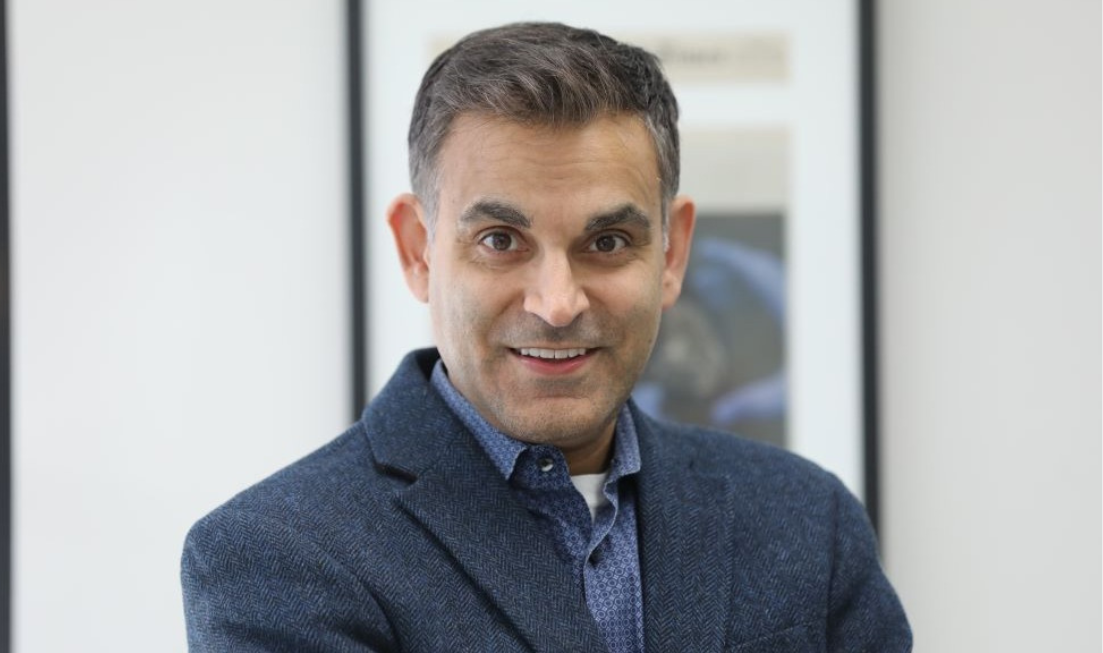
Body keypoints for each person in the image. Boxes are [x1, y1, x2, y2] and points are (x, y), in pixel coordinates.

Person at [181, 21, 912, 652]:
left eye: (607, 240)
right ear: (417, 249)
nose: (556, 303)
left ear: (672, 252)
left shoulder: (805, 519)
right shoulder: (277, 557)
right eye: (500, 240)